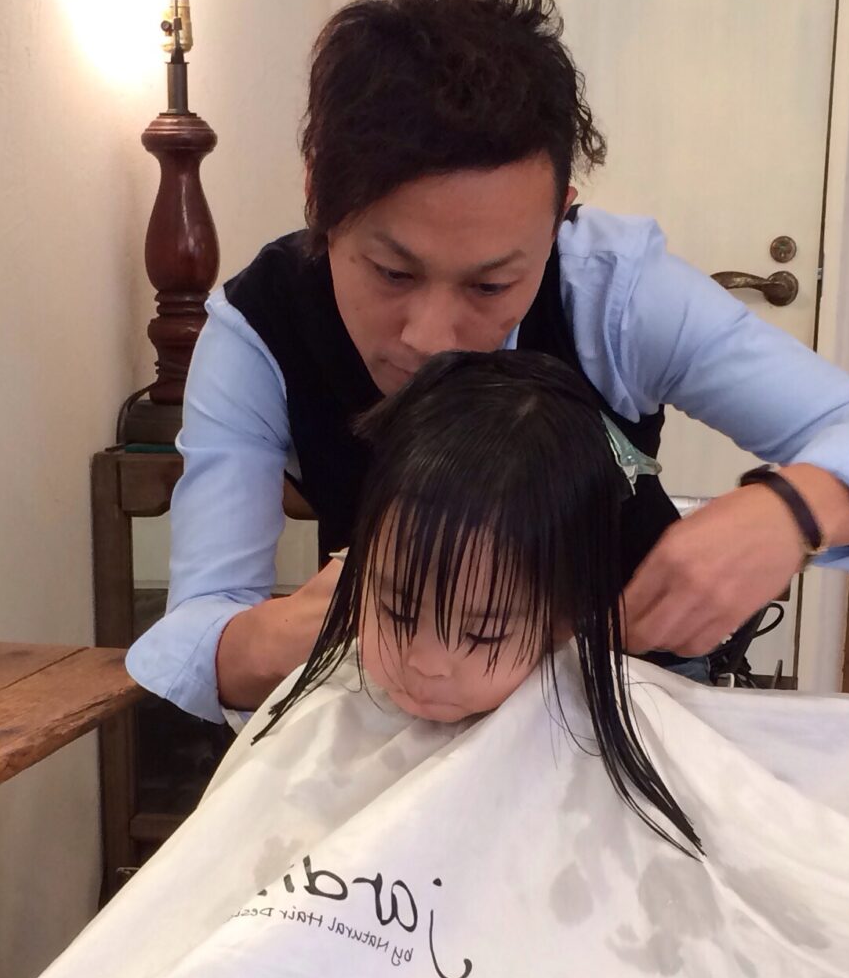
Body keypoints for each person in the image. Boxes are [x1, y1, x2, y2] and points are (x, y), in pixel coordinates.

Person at [127, 0, 849, 722]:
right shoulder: (260, 332)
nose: (434, 339)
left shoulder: (614, 292)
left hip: (640, 710)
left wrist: (788, 511)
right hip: (408, 721)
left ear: (559, 216)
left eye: (491, 285)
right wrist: (341, 620)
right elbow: (196, 634)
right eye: (392, 272)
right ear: (318, 199)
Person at [259, 348, 699, 853]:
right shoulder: (328, 707)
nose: (424, 663)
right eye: (396, 610)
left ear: (563, 616)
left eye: (481, 634)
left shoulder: (592, 740)